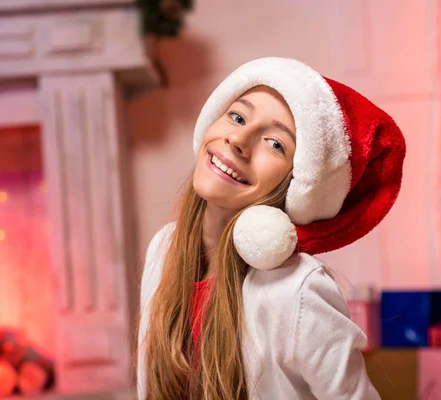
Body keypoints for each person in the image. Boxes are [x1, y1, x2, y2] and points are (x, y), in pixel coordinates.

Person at [137, 57, 406, 400]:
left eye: (275, 143)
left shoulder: (298, 290)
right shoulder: (163, 250)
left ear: (297, 186)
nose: (239, 139)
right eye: (237, 116)